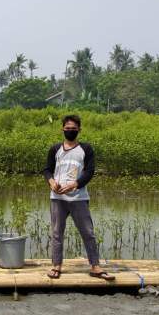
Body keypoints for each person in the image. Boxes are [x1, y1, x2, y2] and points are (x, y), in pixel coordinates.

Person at [42, 114, 114, 281]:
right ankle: (56, 266)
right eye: (67, 129)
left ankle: (95, 266)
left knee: (88, 232)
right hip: (57, 198)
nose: (70, 131)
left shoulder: (85, 149)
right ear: (62, 129)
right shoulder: (55, 149)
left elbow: (89, 171)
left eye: (74, 129)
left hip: (79, 198)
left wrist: (75, 184)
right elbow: (47, 170)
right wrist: (51, 182)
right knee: (57, 233)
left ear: (79, 130)